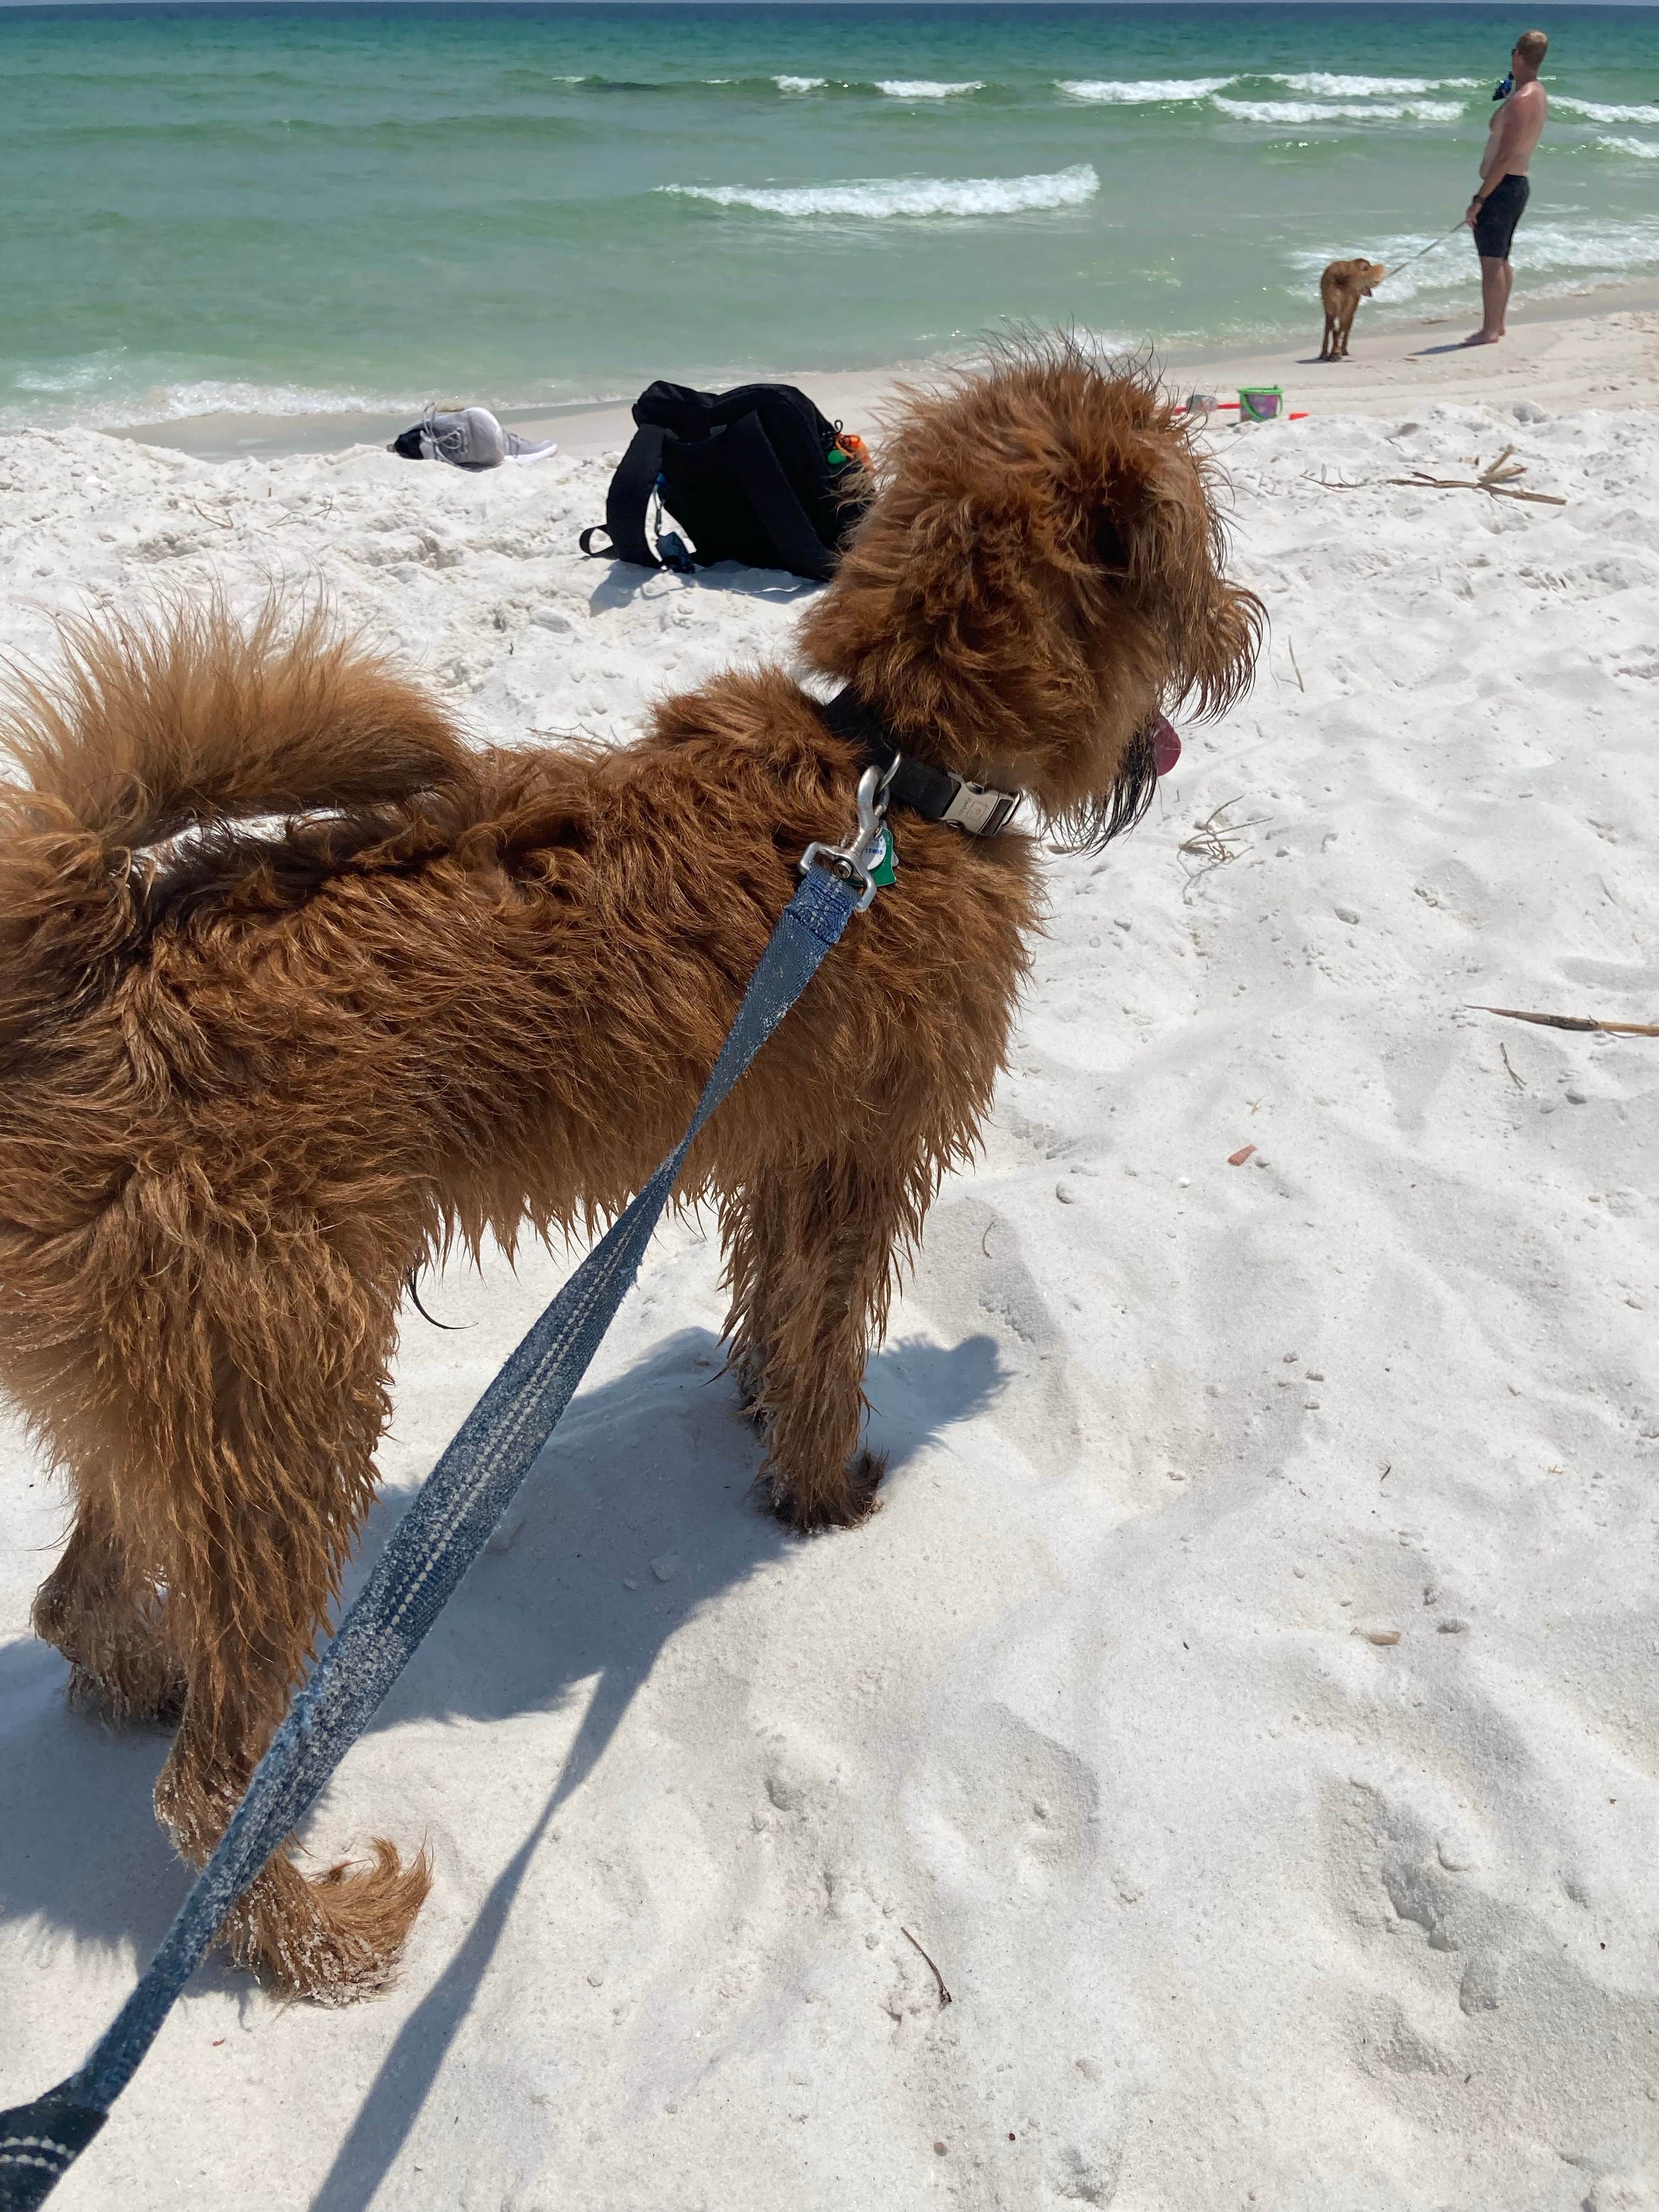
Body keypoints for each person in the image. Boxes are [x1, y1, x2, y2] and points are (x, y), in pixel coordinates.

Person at [1463, 29, 1549, 345]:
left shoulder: (1521, 102)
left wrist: (1479, 198)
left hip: (1504, 186)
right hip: (1515, 185)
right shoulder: (1535, 93)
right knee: (1501, 258)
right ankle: (1497, 325)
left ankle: (1489, 330)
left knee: (1491, 261)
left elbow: (1504, 156)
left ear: (1518, 56)